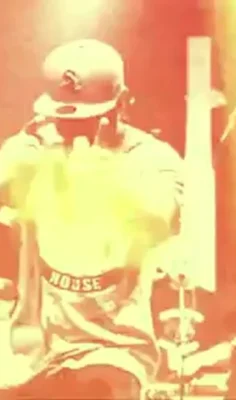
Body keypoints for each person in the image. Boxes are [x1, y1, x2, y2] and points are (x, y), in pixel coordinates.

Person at [0, 39, 183, 399]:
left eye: (87, 121)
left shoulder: (150, 160)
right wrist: (30, 147)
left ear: (123, 103)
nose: (74, 132)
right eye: (63, 121)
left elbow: (160, 218)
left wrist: (102, 174)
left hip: (114, 349)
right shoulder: (38, 149)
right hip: (35, 352)